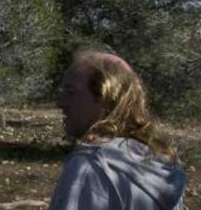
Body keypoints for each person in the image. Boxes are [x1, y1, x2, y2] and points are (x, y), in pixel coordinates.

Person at [50, 52, 186, 210]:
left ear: (106, 96)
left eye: (71, 92)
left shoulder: (91, 167)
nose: (60, 103)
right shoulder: (162, 163)